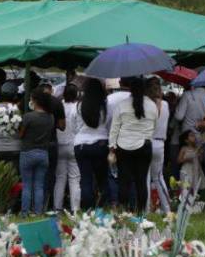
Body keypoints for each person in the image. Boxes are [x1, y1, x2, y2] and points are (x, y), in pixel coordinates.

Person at [109, 77, 158, 213]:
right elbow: (154, 126)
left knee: (124, 181)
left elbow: (114, 128)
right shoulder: (152, 105)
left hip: (123, 147)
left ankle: (123, 212)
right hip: (144, 146)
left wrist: (112, 147)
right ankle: (141, 212)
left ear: (129, 88)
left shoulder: (122, 105)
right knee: (141, 181)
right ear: (145, 89)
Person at [74, 78, 111, 208]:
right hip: (100, 144)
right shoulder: (105, 106)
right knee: (103, 180)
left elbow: (74, 126)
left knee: (85, 180)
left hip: (81, 145)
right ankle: (102, 206)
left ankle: (87, 210)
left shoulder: (78, 106)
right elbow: (108, 124)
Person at [18, 91, 55, 215]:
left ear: (35, 101)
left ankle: (25, 212)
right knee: (39, 186)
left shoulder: (29, 116)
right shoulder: (51, 117)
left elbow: (21, 134)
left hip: (27, 152)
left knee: (27, 185)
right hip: (43, 153)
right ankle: (38, 212)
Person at [144, 77, 171, 214]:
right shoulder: (165, 105)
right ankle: (167, 208)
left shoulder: (145, 104)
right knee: (159, 178)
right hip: (160, 143)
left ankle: (146, 209)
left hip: (146, 142)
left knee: (146, 177)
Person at [54, 83, 82, 212]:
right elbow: (78, 128)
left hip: (59, 144)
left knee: (60, 178)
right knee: (74, 178)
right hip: (73, 144)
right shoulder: (77, 108)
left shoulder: (59, 106)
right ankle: (75, 209)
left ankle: (57, 207)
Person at [176, 130, 205, 196]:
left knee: (195, 183)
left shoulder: (197, 149)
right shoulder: (184, 149)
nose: (194, 137)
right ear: (186, 140)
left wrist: (201, 154)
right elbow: (178, 160)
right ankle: (186, 197)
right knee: (187, 184)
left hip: (196, 169)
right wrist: (186, 159)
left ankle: (195, 196)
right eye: (191, 136)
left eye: (194, 135)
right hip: (187, 170)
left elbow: (201, 161)